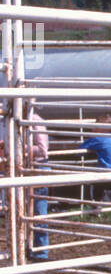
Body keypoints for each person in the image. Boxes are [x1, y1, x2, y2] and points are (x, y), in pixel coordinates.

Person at [75, 112, 111, 205]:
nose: (92, 129)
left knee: (89, 179)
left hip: (105, 178)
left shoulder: (98, 139)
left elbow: (79, 151)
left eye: (96, 126)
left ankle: (95, 205)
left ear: (104, 129)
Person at [27, 106, 50, 260]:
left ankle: (41, 253)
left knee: (38, 211)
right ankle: (27, 248)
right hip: (23, 167)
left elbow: (43, 150)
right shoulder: (11, 119)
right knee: (23, 211)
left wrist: (14, 149)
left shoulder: (34, 120)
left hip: (37, 166)